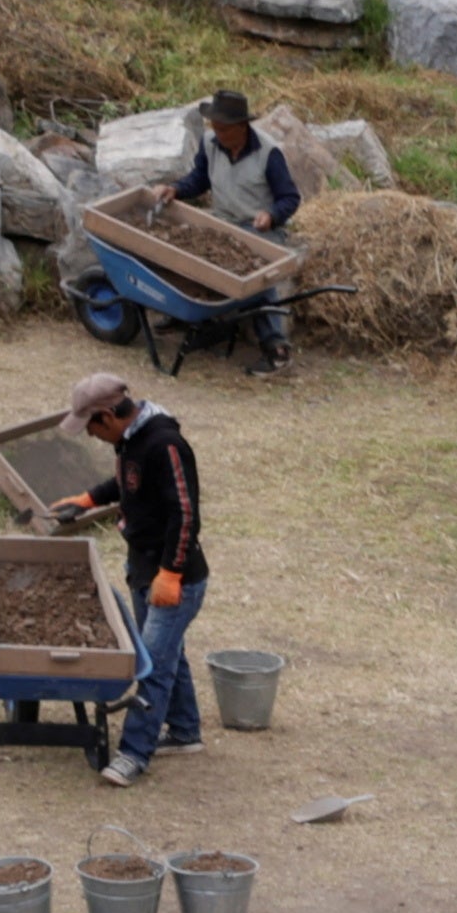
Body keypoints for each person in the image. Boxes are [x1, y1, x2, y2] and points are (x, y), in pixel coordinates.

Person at [56, 372, 207, 791]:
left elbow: (185, 513)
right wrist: (88, 499)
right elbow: (128, 485)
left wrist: (171, 573)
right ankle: (184, 731)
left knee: (152, 665)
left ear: (107, 415)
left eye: (90, 425)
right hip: (144, 568)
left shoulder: (165, 444)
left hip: (173, 576)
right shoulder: (129, 441)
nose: (89, 434)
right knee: (165, 653)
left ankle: (133, 754)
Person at [169, 91, 301, 376]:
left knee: (256, 273)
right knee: (183, 248)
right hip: (222, 223)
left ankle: (276, 347)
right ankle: (194, 318)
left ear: (242, 126)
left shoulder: (269, 153)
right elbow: (199, 180)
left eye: (224, 129)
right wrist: (176, 189)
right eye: (214, 127)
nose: (218, 134)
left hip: (258, 229)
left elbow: (290, 198)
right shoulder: (210, 143)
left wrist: (272, 215)